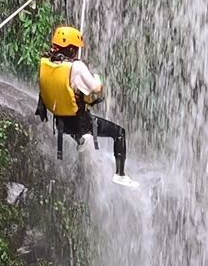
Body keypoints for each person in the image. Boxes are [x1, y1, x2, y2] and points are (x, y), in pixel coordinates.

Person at [35, 25, 137, 188]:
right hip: (79, 122)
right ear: (70, 49)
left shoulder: (46, 62)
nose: (77, 51)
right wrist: (97, 77)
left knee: (83, 138)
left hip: (60, 121)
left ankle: (83, 144)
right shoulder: (76, 67)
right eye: (75, 48)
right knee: (119, 133)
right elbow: (96, 88)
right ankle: (120, 174)